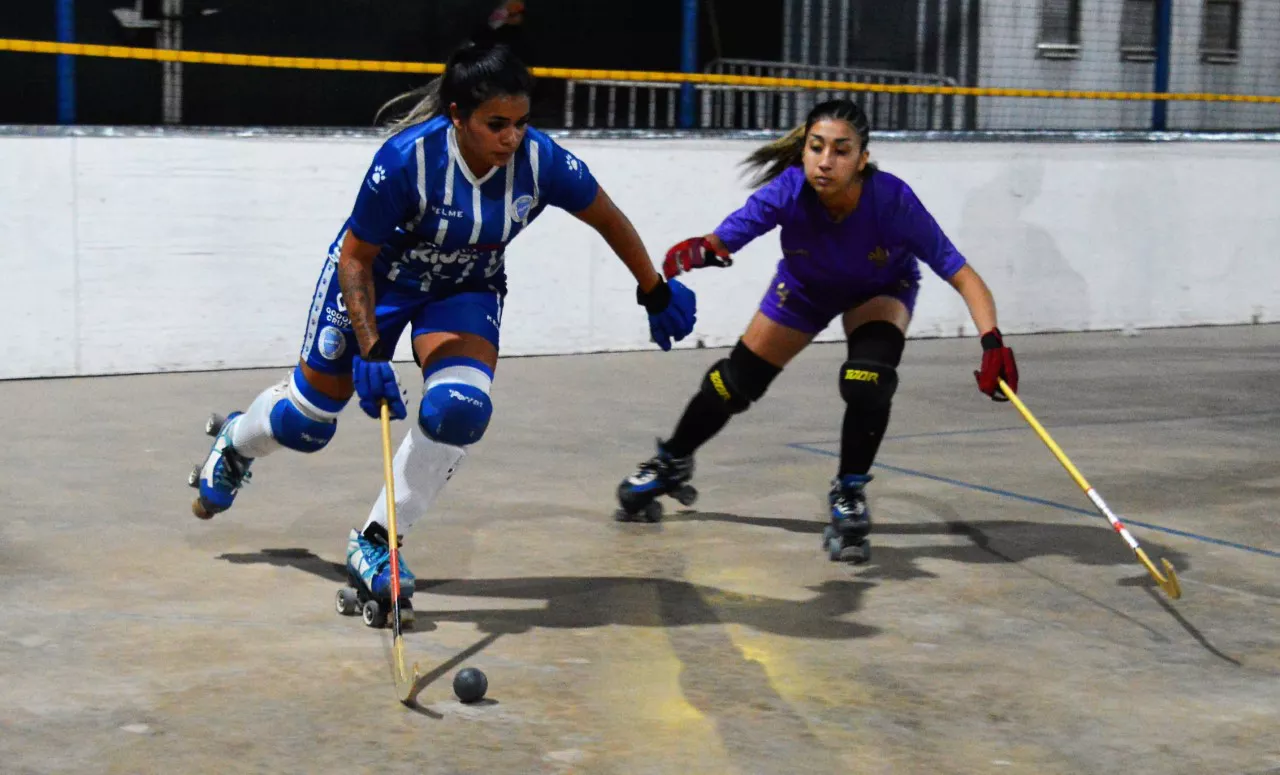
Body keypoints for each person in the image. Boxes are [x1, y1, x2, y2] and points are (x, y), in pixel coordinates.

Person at [189, 41, 697, 622]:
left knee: (460, 409)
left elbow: (607, 217)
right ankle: (236, 442)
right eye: (496, 124)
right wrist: (373, 350)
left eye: (522, 123)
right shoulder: (407, 160)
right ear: (457, 117)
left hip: (464, 288)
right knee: (306, 424)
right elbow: (355, 259)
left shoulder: (541, 162)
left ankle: (378, 543)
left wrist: (653, 289)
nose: (512, 138)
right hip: (378, 280)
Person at [613, 98, 1018, 564]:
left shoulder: (893, 201)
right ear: (803, 150)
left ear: (863, 159)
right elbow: (724, 239)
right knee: (732, 383)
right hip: (806, 289)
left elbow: (961, 273)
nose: (826, 161)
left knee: (867, 380)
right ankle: (672, 461)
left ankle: (849, 490)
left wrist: (992, 343)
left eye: (841, 151)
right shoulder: (788, 191)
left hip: (880, 291)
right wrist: (696, 254)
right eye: (816, 147)